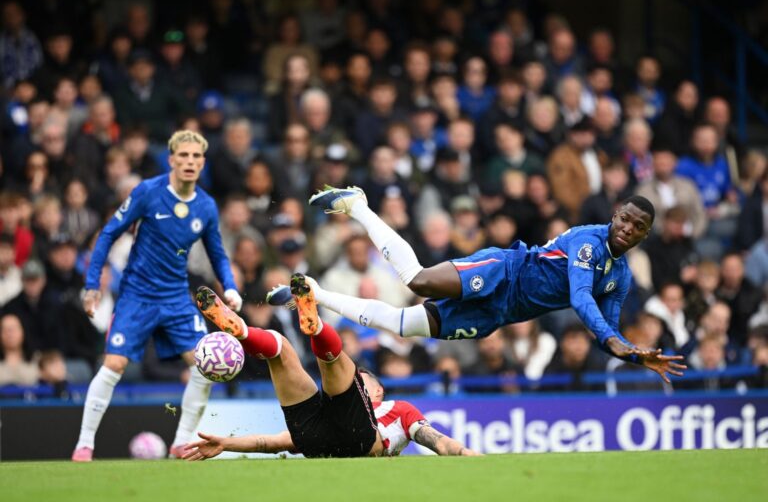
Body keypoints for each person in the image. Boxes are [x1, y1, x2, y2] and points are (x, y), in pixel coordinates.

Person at [269, 186, 686, 384]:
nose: (628, 228)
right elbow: (579, 296)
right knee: (419, 280)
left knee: (401, 324)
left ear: (645, 234)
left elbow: (607, 332)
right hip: (505, 271)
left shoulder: (620, 277)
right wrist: (615, 341)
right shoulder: (588, 242)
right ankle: (359, 206)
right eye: (625, 219)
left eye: (638, 227)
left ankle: (315, 293)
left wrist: (633, 354)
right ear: (615, 216)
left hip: (500, 313)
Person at [71, 130, 242, 462]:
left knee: (204, 366)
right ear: (171, 160)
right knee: (114, 364)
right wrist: (92, 284)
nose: (190, 161)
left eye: (196, 156)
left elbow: (218, 254)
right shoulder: (148, 192)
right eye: (184, 155)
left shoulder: (206, 206)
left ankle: (181, 442)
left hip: (176, 298)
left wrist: (230, 286)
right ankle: (84, 444)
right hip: (137, 296)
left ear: (202, 163)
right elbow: (108, 233)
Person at [184, 281, 478, 459]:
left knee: (333, 367)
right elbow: (273, 442)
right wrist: (226, 444)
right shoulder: (391, 410)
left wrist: (464, 452)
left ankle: (310, 329)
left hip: (347, 435)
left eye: (364, 380)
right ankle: (246, 331)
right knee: (281, 349)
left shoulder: (398, 408)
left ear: (378, 390)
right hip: (331, 438)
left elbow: (437, 441)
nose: (360, 380)